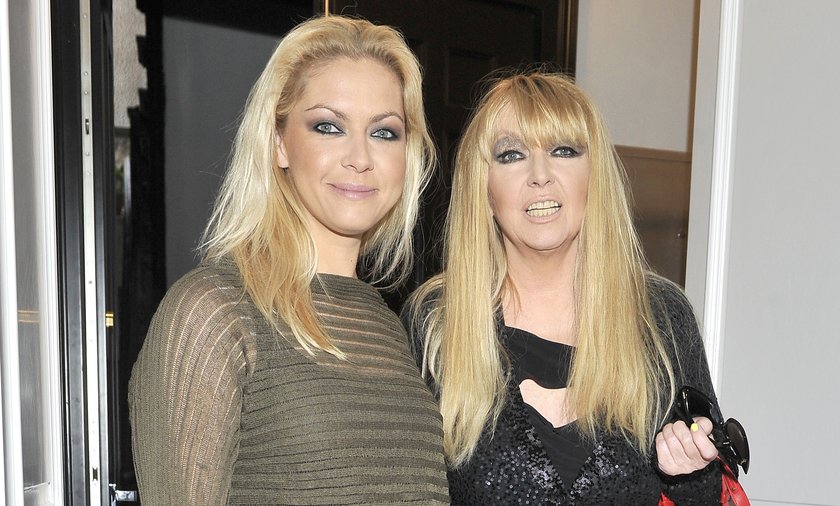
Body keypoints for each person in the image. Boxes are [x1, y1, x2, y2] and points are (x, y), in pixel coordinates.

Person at [129, 15, 449, 504]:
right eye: (329, 127)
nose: (360, 157)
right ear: (279, 143)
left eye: (385, 132)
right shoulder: (215, 310)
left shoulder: (390, 328)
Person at [402, 70, 723, 504]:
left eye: (563, 151)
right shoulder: (436, 321)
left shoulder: (661, 315)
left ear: (595, 176)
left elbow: (711, 491)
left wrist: (691, 475)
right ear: (484, 188)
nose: (540, 175)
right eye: (511, 155)